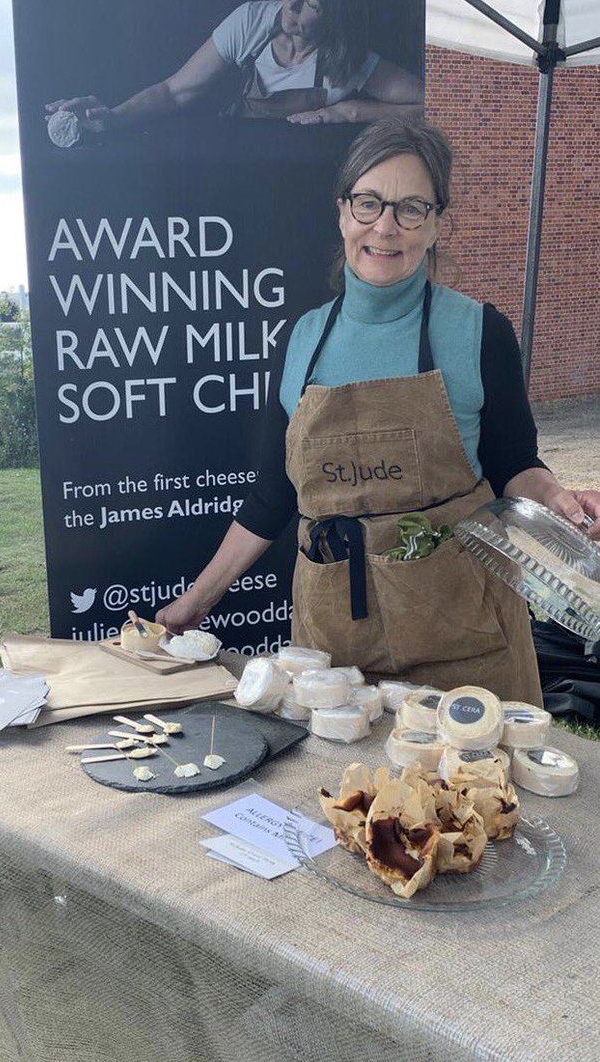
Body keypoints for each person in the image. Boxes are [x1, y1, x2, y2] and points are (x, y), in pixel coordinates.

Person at [157, 118, 600, 705]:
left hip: (466, 638)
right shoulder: (303, 341)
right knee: (353, 797)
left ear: (436, 222)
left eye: (410, 208)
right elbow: (273, 496)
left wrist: (556, 499)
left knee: (479, 793)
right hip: (336, 654)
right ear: (343, 212)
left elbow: (514, 461)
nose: (385, 227)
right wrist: (196, 603)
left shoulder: (479, 331)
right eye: (369, 203)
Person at [46, 0, 423, 131]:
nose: (290, 6)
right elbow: (175, 91)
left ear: (337, 15)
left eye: (313, 4)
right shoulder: (251, 22)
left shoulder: (350, 59)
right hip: (243, 173)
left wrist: (350, 111)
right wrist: (113, 117)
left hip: (306, 186)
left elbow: (429, 104)